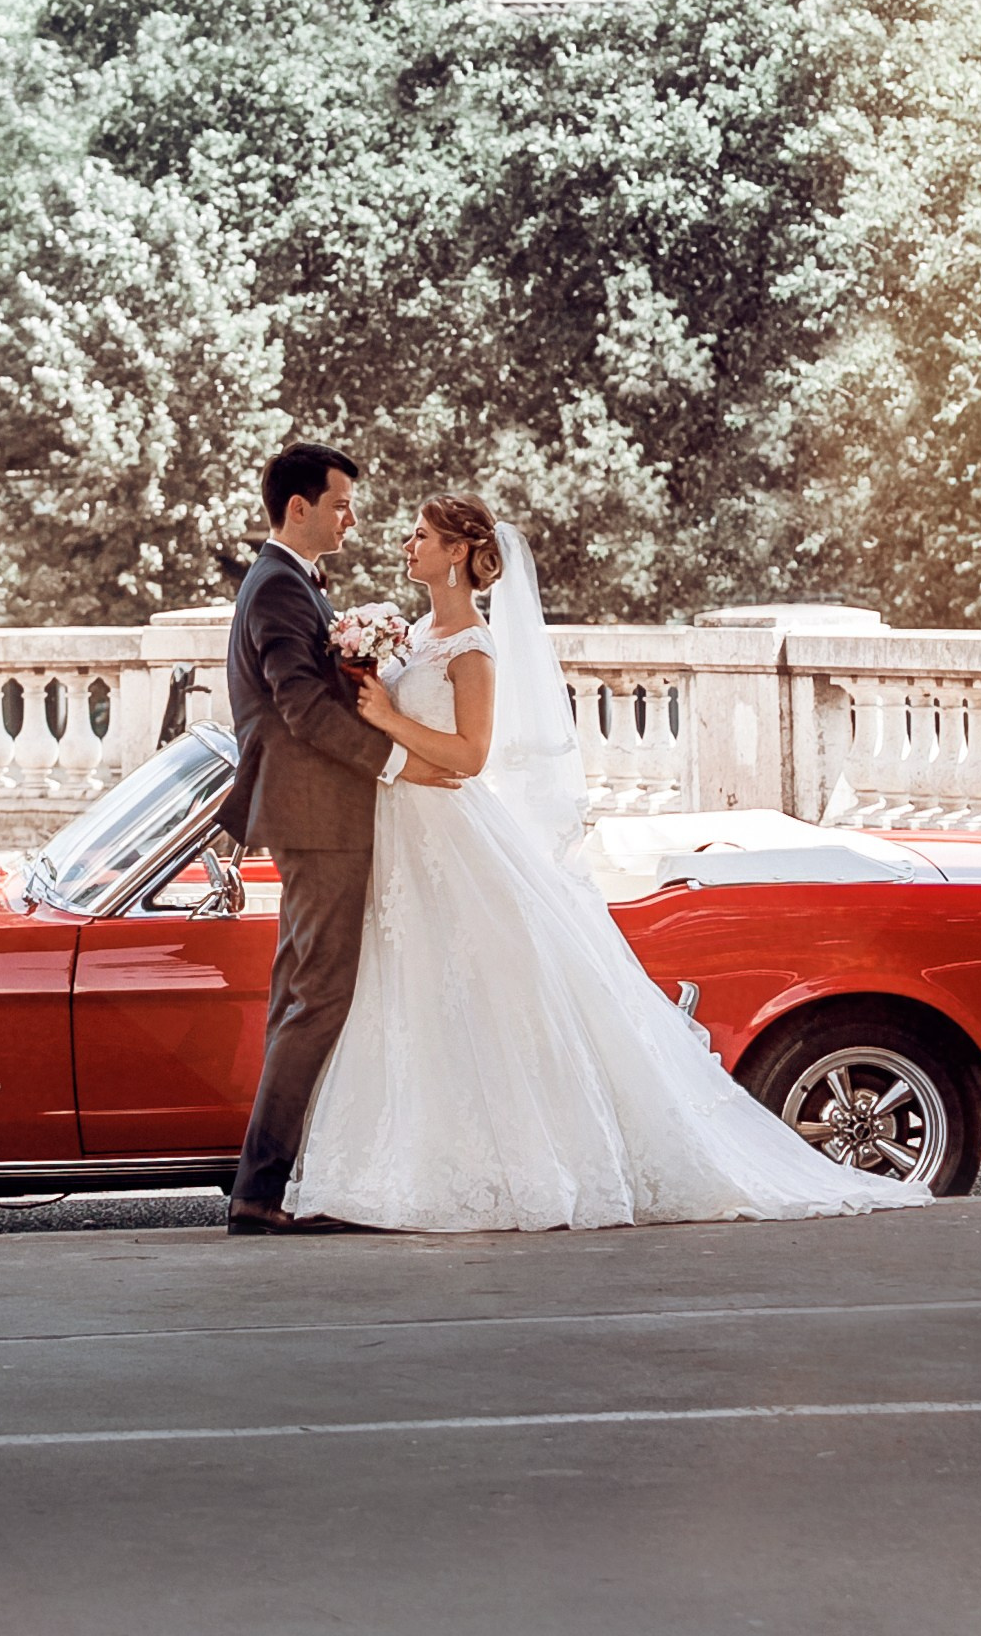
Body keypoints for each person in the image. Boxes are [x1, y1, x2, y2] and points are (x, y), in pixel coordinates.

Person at [285, 493, 917, 1234]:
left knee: (459, 989)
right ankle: (389, 1164)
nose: (406, 545)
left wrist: (389, 719)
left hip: (447, 829)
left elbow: (471, 757)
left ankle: (506, 1166)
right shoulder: (418, 631)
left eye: (420, 535)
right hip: (398, 825)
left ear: (456, 552)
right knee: (402, 993)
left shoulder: (474, 647)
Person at [217, 441, 456, 1235]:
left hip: (313, 817)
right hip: (318, 819)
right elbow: (303, 712)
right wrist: (399, 762)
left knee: (298, 995)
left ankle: (270, 1179)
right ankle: (260, 1192)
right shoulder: (280, 590)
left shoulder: (289, 584)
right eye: (342, 503)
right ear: (299, 508)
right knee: (317, 998)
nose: (353, 517)